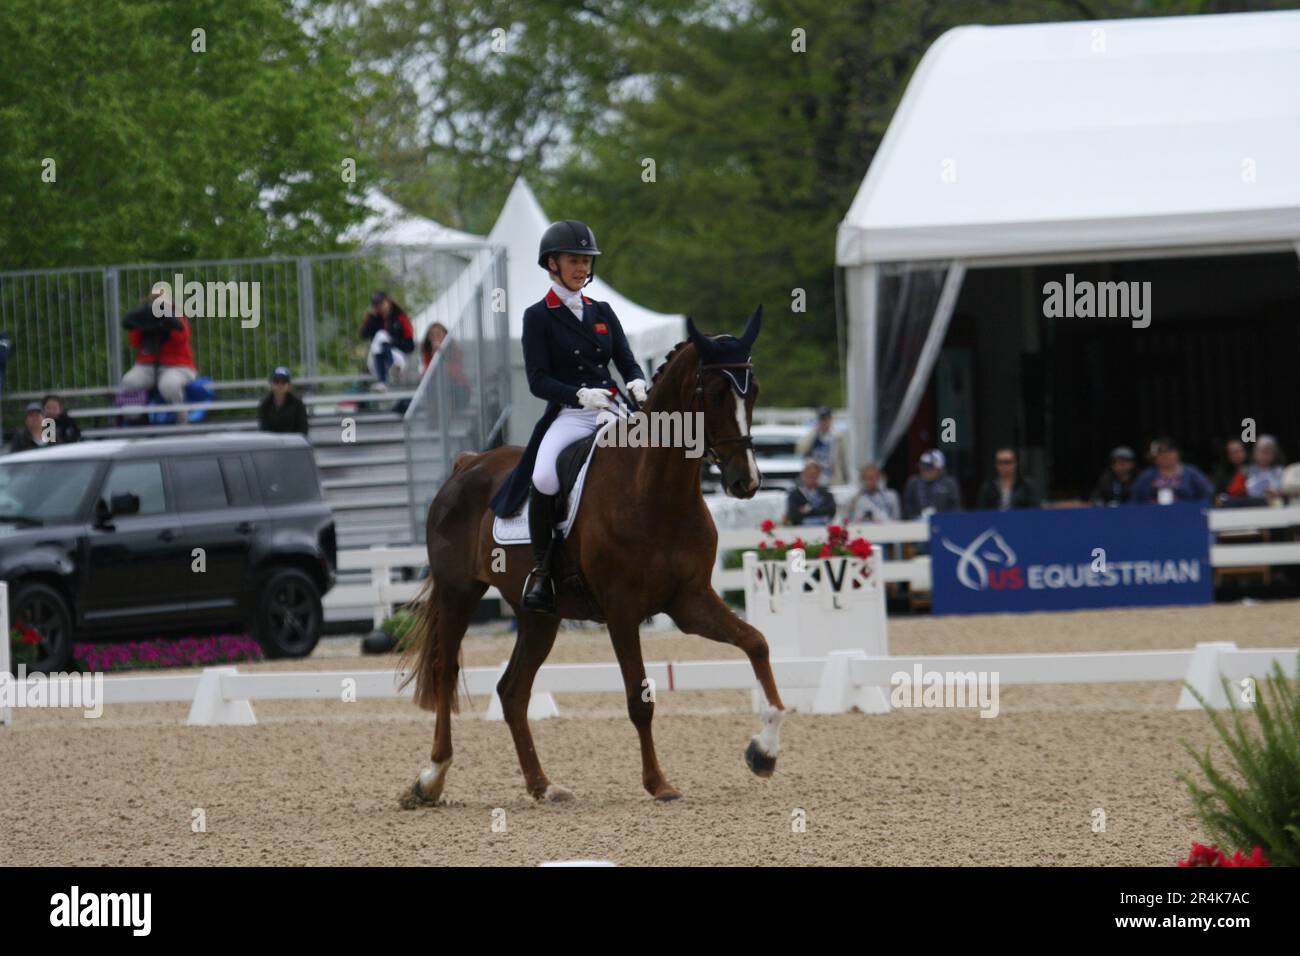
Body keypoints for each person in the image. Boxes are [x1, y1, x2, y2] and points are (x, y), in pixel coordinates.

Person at [488, 219, 648, 615]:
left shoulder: (603, 310)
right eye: (574, 260)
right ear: (552, 264)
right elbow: (537, 380)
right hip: (571, 413)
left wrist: (638, 383)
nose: (582, 268)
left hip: (613, 408)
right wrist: (577, 393)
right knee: (543, 476)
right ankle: (543, 571)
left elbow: (626, 361)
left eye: (586, 261)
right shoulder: (538, 316)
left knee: (660, 452)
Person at [119, 292, 197, 405]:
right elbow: (134, 342)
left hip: (178, 367)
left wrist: (168, 320)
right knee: (129, 382)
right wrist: (142, 323)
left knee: (169, 385)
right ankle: (135, 419)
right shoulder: (146, 316)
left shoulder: (178, 316)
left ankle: (181, 419)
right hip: (146, 366)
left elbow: (181, 337)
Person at [1131, 436, 1213, 504]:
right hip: (1153, 517)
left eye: (1169, 451)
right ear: (1154, 457)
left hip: (1187, 516)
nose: (1165, 455)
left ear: (1177, 453)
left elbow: (1208, 495)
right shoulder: (1147, 476)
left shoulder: (1192, 473)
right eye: (1160, 452)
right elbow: (1134, 501)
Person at [361, 291, 415, 390]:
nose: (379, 307)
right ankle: (388, 373)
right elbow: (363, 335)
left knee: (381, 336)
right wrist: (369, 317)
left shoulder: (400, 318)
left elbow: (410, 346)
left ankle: (384, 380)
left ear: (388, 302)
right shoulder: (374, 320)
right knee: (380, 336)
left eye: (381, 303)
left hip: (398, 359)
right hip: (377, 363)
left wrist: (391, 342)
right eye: (376, 305)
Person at [419, 321, 471, 409]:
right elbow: (427, 374)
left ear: (445, 336)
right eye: (432, 335)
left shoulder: (455, 350)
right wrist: (434, 356)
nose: (435, 337)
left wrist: (441, 354)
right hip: (436, 393)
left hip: (457, 391)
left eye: (438, 334)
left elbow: (454, 373)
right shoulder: (427, 353)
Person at [795, 406, 849, 485]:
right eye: (821, 419)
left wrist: (846, 478)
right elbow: (800, 450)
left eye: (826, 419)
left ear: (830, 419)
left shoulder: (838, 436)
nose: (823, 422)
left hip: (832, 479)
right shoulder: (812, 435)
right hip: (815, 480)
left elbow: (843, 459)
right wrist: (815, 432)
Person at [902, 449, 961, 519]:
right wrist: (916, 518)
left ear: (940, 469)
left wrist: (940, 517)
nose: (925, 471)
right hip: (917, 524)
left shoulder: (949, 483)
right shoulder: (913, 483)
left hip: (944, 523)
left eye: (929, 468)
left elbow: (955, 507)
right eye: (923, 467)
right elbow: (908, 506)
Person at [976, 447, 1041, 510]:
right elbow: (981, 511)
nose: (1004, 466)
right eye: (1000, 463)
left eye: (1007, 462)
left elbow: (1034, 509)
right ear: (996, 465)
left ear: (1015, 464)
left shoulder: (1026, 486)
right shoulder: (988, 487)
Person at [257, 366, 309, 436]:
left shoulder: (298, 403)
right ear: (271, 384)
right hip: (272, 443)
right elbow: (263, 429)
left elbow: (303, 429)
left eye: (284, 382)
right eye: (276, 381)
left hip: (293, 442)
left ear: (289, 385)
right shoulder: (264, 404)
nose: (280, 385)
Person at [785, 460, 837, 526]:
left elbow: (831, 511)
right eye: (809, 475)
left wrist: (809, 510)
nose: (812, 478)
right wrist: (819, 511)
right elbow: (793, 515)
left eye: (814, 475)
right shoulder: (795, 495)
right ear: (803, 475)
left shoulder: (826, 494)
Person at [1242, 435, 1285, 504]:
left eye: (1268, 453)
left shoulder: (1280, 471)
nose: (1264, 456)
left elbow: (1285, 491)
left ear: (1274, 454)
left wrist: (1278, 492)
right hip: (1251, 506)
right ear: (1255, 453)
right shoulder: (1245, 471)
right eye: (1262, 452)